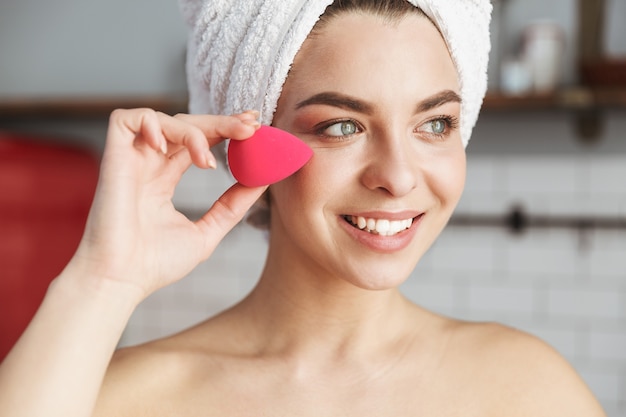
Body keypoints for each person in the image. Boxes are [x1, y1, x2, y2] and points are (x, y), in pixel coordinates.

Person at [0, 0, 607, 416]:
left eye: (436, 123)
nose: (397, 176)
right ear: (254, 142)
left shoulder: (528, 390)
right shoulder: (125, 399)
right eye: (342, 125)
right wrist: (103, 279)